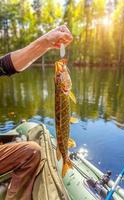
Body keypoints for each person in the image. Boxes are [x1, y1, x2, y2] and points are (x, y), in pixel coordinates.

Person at [0, 25, 73, 200]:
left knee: (32, 150)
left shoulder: (64, 90)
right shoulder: (63, 87)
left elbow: (5, 65)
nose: (60, 72)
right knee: (33, 151)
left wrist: (47, 42)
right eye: (58, 76)